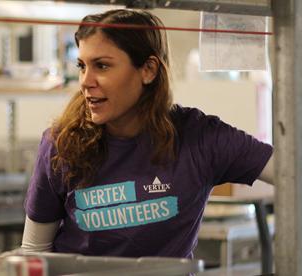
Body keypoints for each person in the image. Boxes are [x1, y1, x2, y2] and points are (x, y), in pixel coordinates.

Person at [21, 9, 273, 259]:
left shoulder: (199, 137)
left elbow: (289, 173)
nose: (86, 81)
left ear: (148, 70)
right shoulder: (62, 143)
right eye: (82, 66)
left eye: (102, 65)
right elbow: (35, 252)